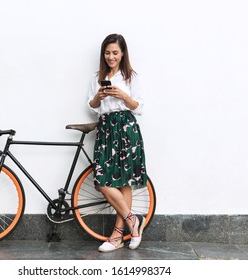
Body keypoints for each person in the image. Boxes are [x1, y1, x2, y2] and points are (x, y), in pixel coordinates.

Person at [87, 34, 147, 252]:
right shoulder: (97, 78)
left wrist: (122, 95)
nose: (111, 57)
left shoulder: (130, 77)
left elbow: (138, 107)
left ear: (122, 54)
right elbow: (92, 107)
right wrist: (99, 97)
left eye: (115, 52)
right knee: (102, 180)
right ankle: (133, 221)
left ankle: (117, 234)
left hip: (125, 128)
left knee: (124, 181)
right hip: (105, 129)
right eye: (107, 52)